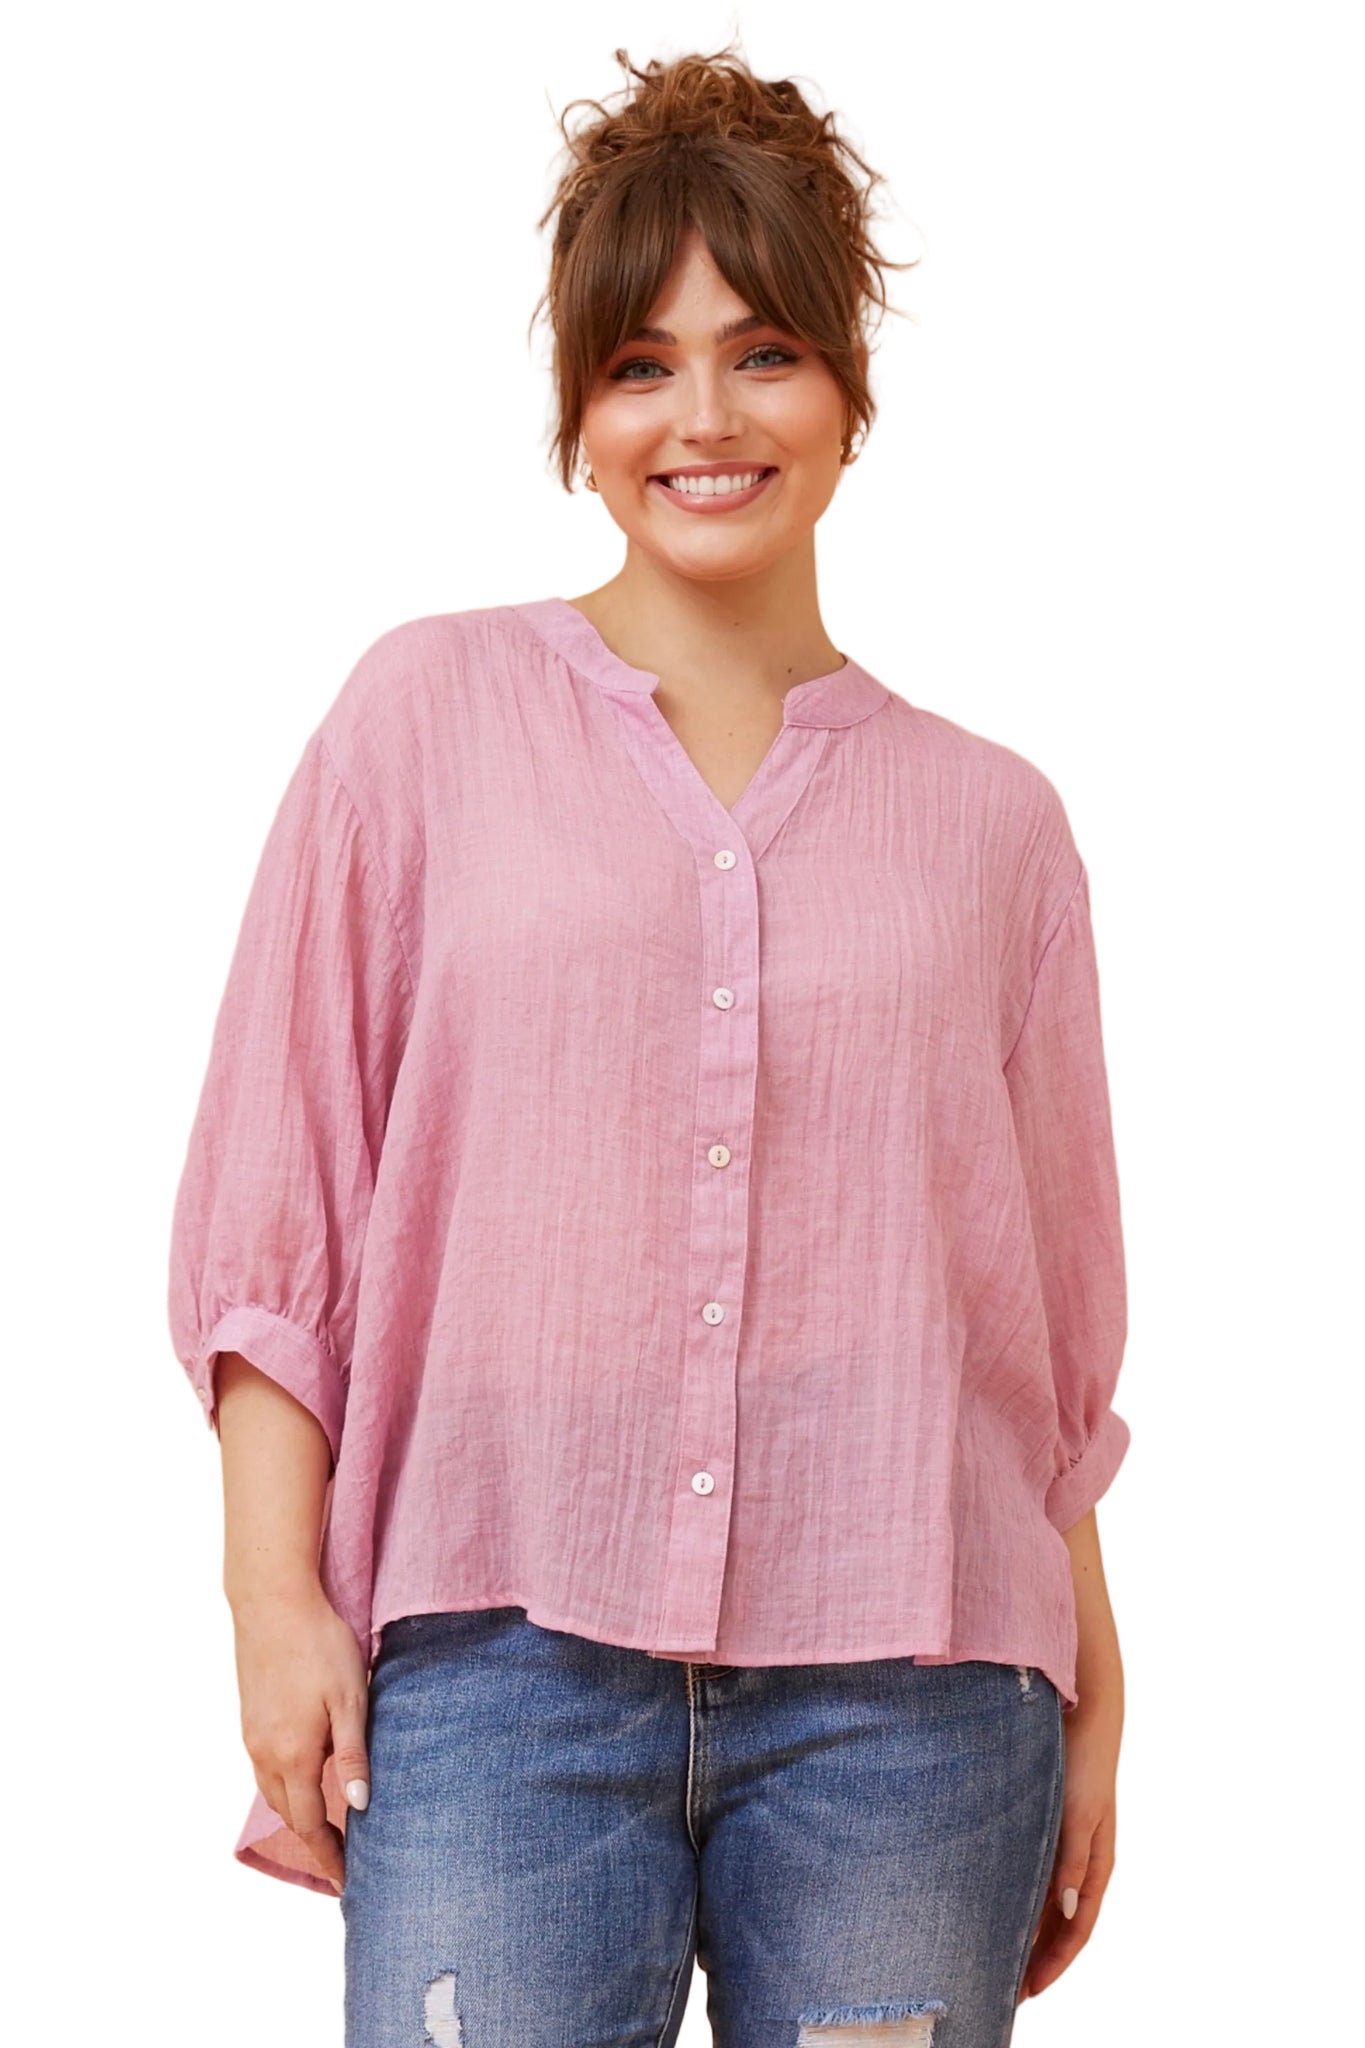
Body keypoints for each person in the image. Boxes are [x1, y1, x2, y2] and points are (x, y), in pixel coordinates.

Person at [167, 42, 1130, 2048]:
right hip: (494, 1674)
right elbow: (284, 1206)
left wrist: (1092, 1675)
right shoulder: (419, 723)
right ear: (577, 415)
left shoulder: (995, 829)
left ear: (846, 390)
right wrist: (271, 1598)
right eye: (638, 365)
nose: (701, 418)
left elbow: (1033, 1326)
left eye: (761, 352)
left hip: (914, 1697)